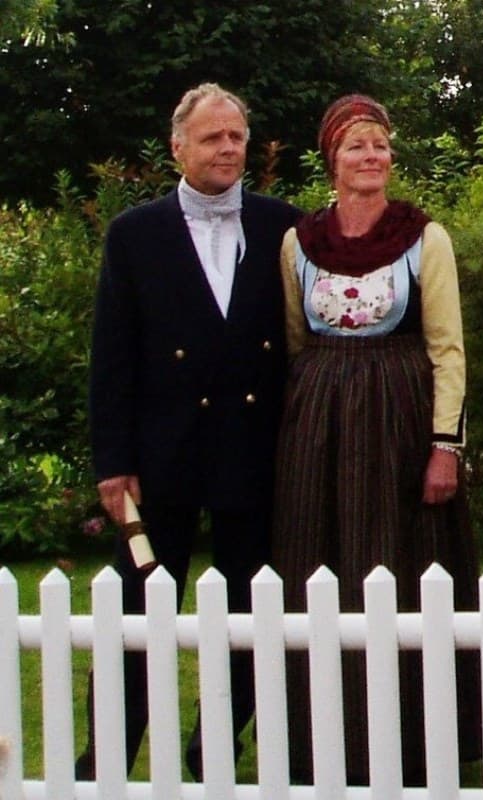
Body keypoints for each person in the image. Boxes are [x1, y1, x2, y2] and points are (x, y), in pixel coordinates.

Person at [76, 82, 301, 781]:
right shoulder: (134, 234)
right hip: (160, 455)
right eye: (212, 137)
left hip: (253, 449)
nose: (228, 148)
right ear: (178, 147)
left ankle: (215, 755)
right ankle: (106, 758)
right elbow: (112, 357)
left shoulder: (284, 227)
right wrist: (112, 463)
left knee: (247, 613)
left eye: (237, 136)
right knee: (136, 615)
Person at [272, 94, 482, 785]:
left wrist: (444, 445)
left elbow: (446, 348)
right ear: (331, 159)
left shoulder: (424, 237)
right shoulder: (299, 243)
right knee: (318, 568)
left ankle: (414, 743)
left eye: (380, 145)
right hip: (320, 425)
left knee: (402, 570)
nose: (372, 156)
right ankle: (323, 742)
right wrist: (313, 411)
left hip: (399, 420)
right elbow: (295, 341)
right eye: (356, 145)